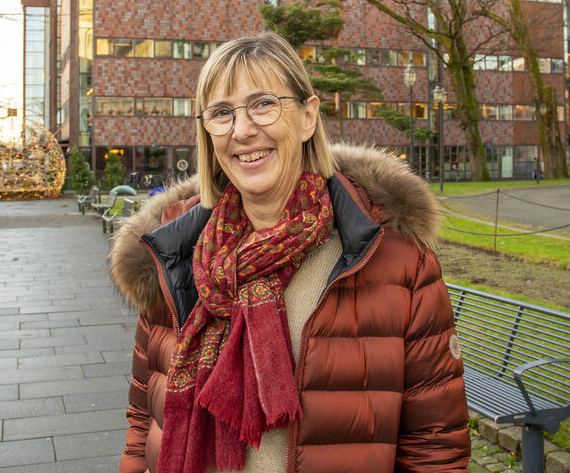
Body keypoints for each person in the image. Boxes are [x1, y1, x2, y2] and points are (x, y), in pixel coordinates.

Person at [110, 32, 470, 473]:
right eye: (222, 113)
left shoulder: (393, 259)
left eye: (263, 104)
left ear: (307, 117)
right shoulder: (174, 255)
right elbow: (144, 418)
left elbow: (435, 445)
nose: (242, 130)